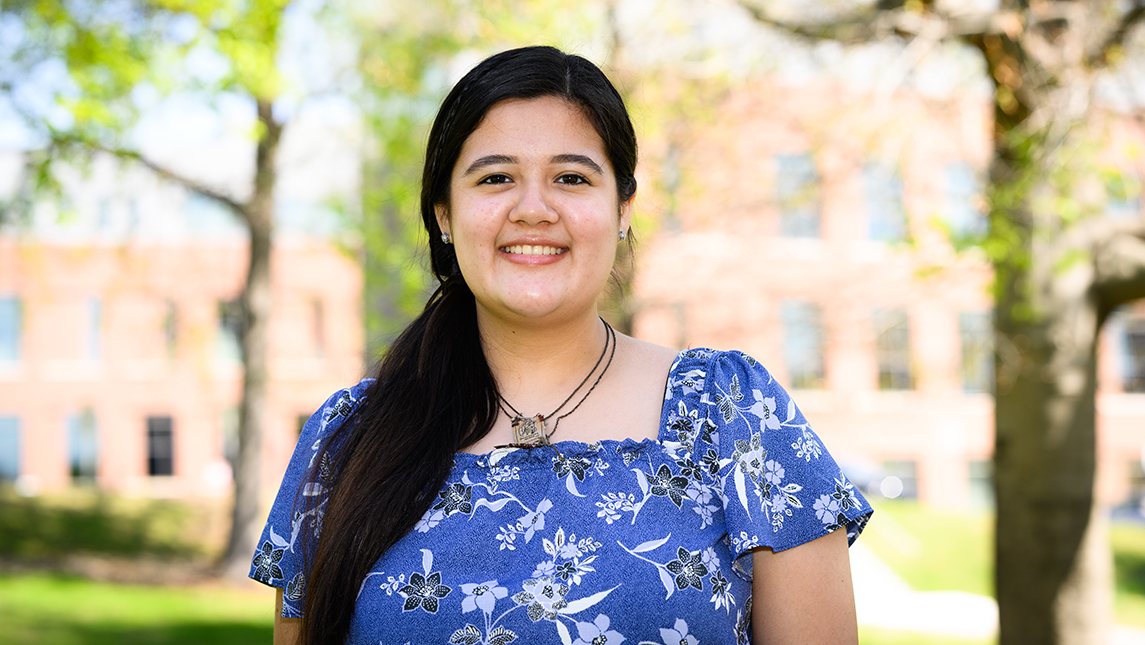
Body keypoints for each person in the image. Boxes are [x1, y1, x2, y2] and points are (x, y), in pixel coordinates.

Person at [250, 45, 872, 645]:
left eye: (571, 178)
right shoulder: (348, 440)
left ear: (623, 207)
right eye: (496, 178)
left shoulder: (736, 414)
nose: (533, 208)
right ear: (443, 214)